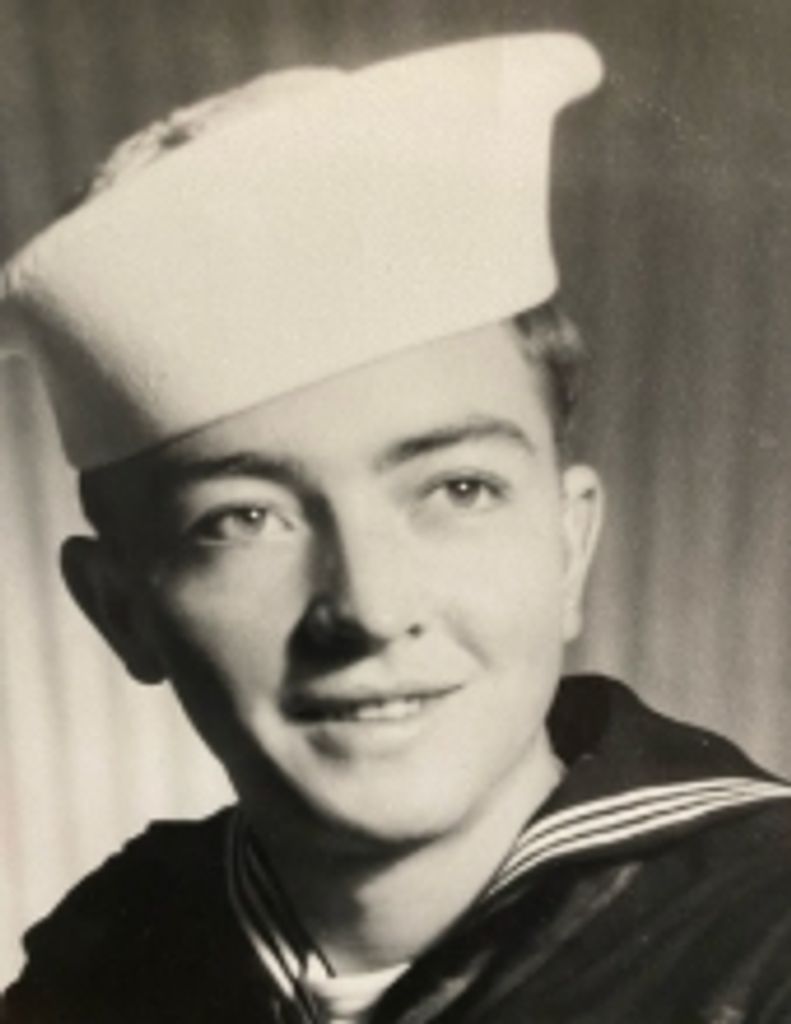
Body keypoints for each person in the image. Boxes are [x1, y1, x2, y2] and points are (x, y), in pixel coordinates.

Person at [2, 33, 791, 1024]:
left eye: (458, 489)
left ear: (568, 544)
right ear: (119, 610)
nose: (370, 608)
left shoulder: (762, 947)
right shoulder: (106, 962)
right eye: (244, 517)